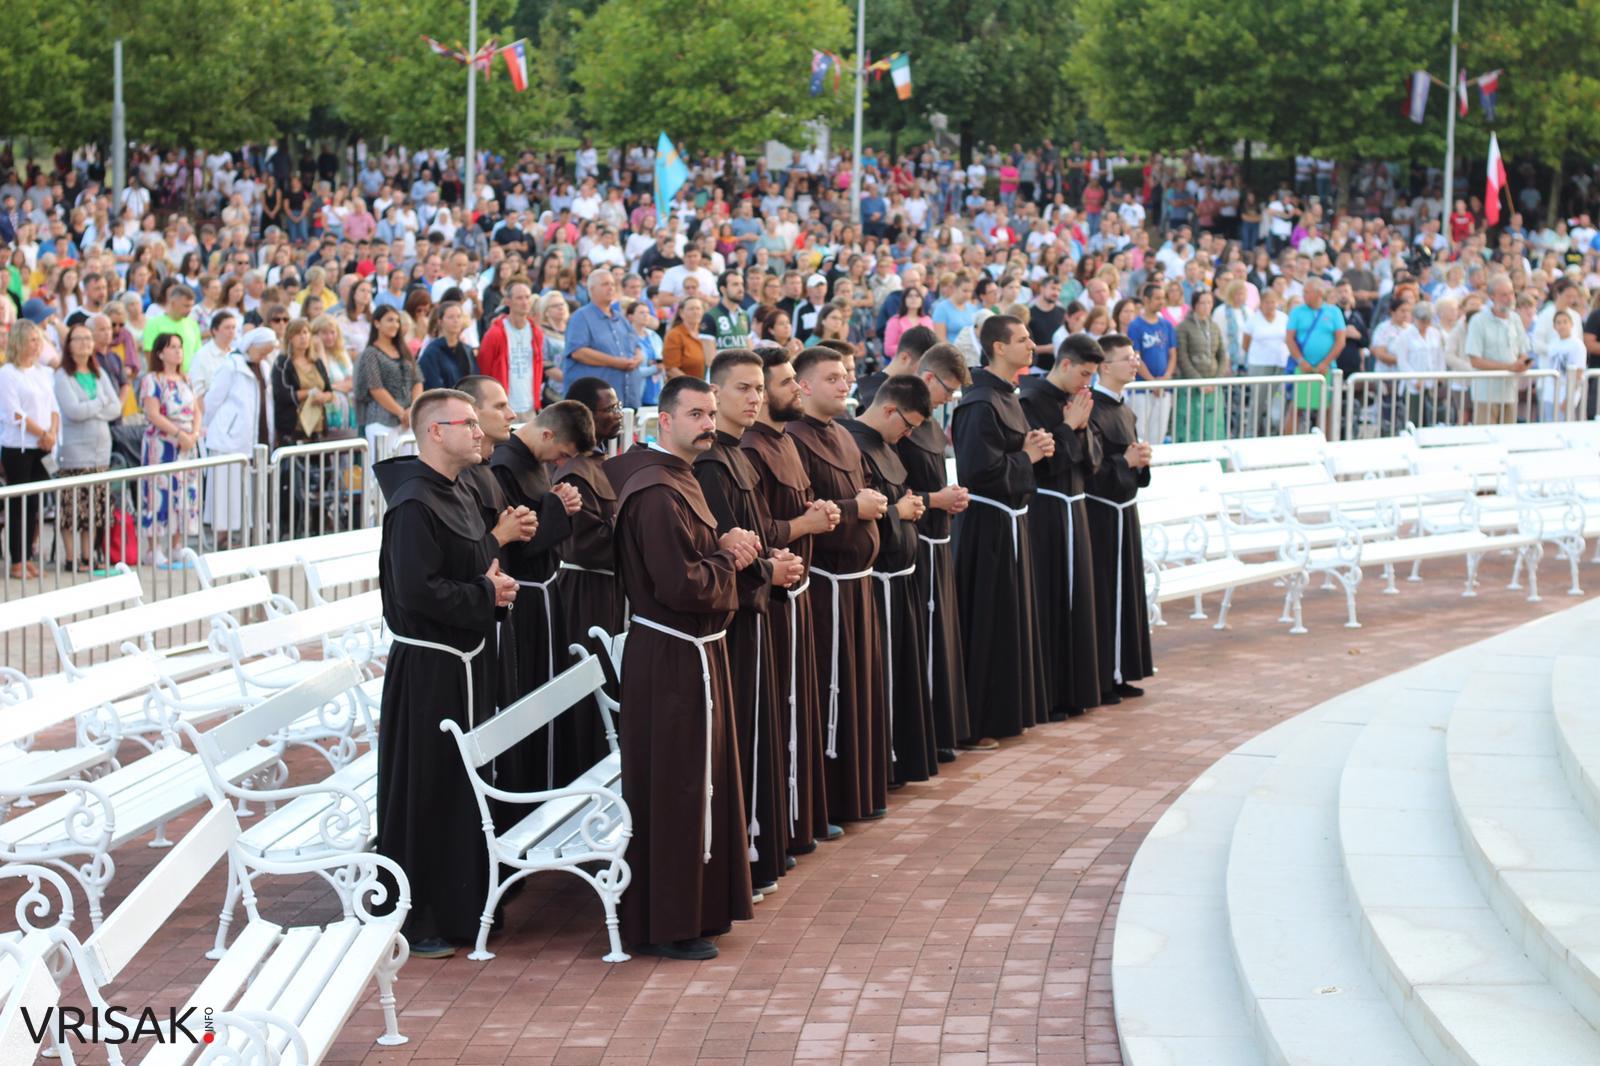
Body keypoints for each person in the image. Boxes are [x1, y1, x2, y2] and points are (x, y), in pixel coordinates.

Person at [606, 375, 761, 961]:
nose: (709, 422)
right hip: (671, 656)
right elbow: (679, 583)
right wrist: (729, 554)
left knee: (700, 780)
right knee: (676, 786)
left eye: (711, 412)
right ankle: (669, 922)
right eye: (696, 413)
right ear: (663, 421)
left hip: (690, 652)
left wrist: (727, 547)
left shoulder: (677, 477)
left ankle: (699, 908)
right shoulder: (654, 490)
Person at [374, 388, 519, 960]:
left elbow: (470, 564)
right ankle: (421, 914)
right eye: (469, 424)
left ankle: (466, 904)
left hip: (468, 658)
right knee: (429, 787)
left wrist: (494, 591)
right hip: (432, 668)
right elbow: (415, 592)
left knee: (465, 787)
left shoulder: (456, 489)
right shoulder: (412, 503)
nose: (481, 432)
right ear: (436, 431)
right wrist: (486, 593)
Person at [695, 349, 807, 897]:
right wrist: (769, 569)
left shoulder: (740, 454)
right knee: (741, 737)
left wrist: (774, 561)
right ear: (714, 396)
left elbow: (757, 531)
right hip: (733, 622)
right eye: (742, 388)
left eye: (758, 387)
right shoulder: (713, 462)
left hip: (756, 607)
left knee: (759, 732)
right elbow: (723, 549)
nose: (755, 397)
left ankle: (760, 850)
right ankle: (745, 857)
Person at [739, 349, 845, 856]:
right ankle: (779, 828)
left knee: (798, 711)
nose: (788, 392)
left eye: (774, 384)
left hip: (796, 596)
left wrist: (818, 509)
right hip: (770, 601)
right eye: (782, 383)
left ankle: (800, 820)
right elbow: (759, 532)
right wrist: (804, 524)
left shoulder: (785, 441)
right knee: (776, 715)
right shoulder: (750, 448)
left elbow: (791, 507)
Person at [787, 346, 890, 823]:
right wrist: (855, 510)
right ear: (803, 386)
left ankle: (860, 792)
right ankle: (832, 799)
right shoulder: (795, 438)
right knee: (831, 692)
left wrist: (871, 500)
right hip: (826, 586)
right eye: (832, 377)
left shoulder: (846, 436)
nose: (845, 383)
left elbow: (863, 488)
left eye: (846, 375)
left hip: (858, 585)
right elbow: (806, 510)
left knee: (859, 690)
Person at [951, 315, 1052, 745]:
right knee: (987, 621)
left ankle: (1009, 713)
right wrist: (1027, 457)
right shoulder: (979, 403)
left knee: (1009, 617)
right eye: (1023, 339)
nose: (1032, 345)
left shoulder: (1006, 396)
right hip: (987, 528)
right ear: (997, 347)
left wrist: (1038, 450)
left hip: (1011, 521)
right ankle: (981, 722)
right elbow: (979, 470)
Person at [843, 374, 939, 785]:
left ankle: (901, 759)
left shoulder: (886, 445)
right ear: (888, 409)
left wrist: (909, 507)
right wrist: (900, 513)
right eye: (908, 424)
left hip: (900, 578)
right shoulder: (855, 445)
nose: (909, 434)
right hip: (876, 580)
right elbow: (872, 516)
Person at [883, 343, 972, 762]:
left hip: (937, 543)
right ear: (929, 377)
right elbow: (893, 488)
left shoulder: (931, 424)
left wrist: (948, 498)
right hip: (911, 546)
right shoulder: (898, 421)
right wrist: (935, 501)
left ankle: (940, 729)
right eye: (948, 390)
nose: (950, 400)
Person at [1018, 334, 1103, 720]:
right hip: (1046, 512)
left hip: (1076, 507)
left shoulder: (1081, 401)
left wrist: (1080, 429)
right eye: (1084, 373)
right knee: (1051, 598)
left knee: (1078, 598)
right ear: (1064, 364)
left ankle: (1076, 690)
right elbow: (1048, 463)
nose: (1087, 383)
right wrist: (1070, 425)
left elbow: (1090, 464)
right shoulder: (1031, 401)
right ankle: (1050, 694)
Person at [1083, 334, 1154, 702]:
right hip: (1101, 515)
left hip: (1125, 512)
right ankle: (1102, 675)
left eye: (1136, 356)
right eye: (1127, 357)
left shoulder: (1125, 409)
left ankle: (1122, 669)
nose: (1135, 362)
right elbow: (1091, 467)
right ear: (1105, 367)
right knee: (1105, 592)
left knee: (1126, 592)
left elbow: (1128, 462)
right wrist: (1124, 462)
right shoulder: (1092, 408)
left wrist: (1140, 460)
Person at [555, 376, 627, 686]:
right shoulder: (574, 471)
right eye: (611, 408)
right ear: (586, 415)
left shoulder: (601, 461)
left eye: (618, 405)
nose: (619, 413)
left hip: (613, 591)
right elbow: (584, 545)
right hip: (588, 595)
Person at [52, 323, 121, 571]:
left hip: (100, 451)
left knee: (95, 508)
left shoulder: (98, 373)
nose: (85, 343)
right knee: (73, 509)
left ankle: (88, 555)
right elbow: (73, 411)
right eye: (79, 339)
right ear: (68, 345)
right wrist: (99, 403)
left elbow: (116, 408)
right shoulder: (62, 376)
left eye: (88, 339)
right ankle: (72, 557)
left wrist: (92, 406)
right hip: (74, 452)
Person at [201, 327, 277, 548]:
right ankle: (221, 537)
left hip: (254, 436)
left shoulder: (263, 366)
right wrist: (212, 427)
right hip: (229, 438)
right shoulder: (231, 366)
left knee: (246, 490)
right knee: (224, 491)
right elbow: (213, 400)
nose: (264, 356)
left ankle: (244, 534)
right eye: (262, 351)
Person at [1, 320, 59, 577]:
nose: (38, 346)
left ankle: (28, 556)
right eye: (33, 340)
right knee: (18, 505)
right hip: (20, 446)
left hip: (43, 446)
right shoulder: (7, 373)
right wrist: (42, 433)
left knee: (34, 504)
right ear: (20, 342)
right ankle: (16, 560)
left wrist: (52, 434)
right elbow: (15, 413)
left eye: (40, 340)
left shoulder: (42, 373)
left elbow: (54, 407)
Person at [140, 332, 202, 568]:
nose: (177, 351)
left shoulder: (186, 378)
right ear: (160, 352)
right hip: (163, 444)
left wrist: (193, 435)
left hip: (187, 443)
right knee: (159, 494)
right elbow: (153, 413)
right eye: (172, 347)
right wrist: (178, 435)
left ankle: (177, 544)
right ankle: (153, 547)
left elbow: (197, 409)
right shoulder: (152, 380)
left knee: (185, 493)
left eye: (180, 347)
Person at [562, 270, 641, 408]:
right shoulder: (580, 317)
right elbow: (578, 352)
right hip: (595, 404)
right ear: (591, 289)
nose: (611, 287)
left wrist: (638, 358)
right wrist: (616, 362)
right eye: (605, 284)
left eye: (612, 284)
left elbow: (636, 345)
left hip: (626, 398)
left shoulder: (620, 318)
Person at [1465, 275, 1532, 425]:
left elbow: (1523, 351)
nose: (1509, 298)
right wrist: (1509, 367)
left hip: (1510, 392)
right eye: (1504, 295)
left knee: (1508, 439)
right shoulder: (1478, 321)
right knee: (1485, 442)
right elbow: (1474, 360)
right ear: (1492, 296)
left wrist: (1523, 363)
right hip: (1486, 394)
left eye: (1511, 293)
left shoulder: (1515, 319)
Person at [355, 305, 422, 453]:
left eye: (397, 321)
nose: (395, 324)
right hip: (381, 421)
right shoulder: (370, 353)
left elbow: (417, 381)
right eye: (390, 320)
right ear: (377, 323)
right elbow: (375, 388)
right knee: (383, 470)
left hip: (407, 422)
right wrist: (400, 412)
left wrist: (412, 410)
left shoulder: (404, 351)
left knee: (411, 466)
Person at [1283, 278, 1346, 432]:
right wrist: (1300, 360)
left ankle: (1325, 443)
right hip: (1302, 368)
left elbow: (1340, 340)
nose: (1303, 295)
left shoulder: (1334, 312)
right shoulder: (1297, 312)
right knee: (1296, 406)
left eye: (1307, 292)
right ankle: (1287, 444)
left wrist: (1326, 362)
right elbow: (1290, 339)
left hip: (1327, 369)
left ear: (1319, 293)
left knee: (1326, 409)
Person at [477, 277, 545, 418]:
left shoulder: (536, 333)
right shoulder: (495, 334)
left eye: (527, 297)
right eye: (519, 298)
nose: (525, 302)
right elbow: (484, 370)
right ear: (508, 301)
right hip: (503, 408)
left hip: (530, 406)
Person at [1174, 288, 1228, 441]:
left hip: (1212, 383)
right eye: (1202, 303)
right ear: (1195, 305)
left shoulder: (1214, 326)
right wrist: (1199, 381)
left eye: (1209, 303)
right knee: (1191, 423)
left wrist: (1216, 380)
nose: (1206, 306)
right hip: (1191, 385)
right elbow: (1183, 357)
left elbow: (1222, 355)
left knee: (1212, 424)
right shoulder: (1183, 327)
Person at [1126, 287, 1177, 444]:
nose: (1161, 302)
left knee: (1159, 433)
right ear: (1146, 300)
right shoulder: (1135, 326)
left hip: (1163, 388)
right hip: (1142, 388)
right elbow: (1136, 356)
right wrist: (1152, 382)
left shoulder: (1167, 325)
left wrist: (1166, 377)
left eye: (1163, 298)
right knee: (1141, 432)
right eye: (1157, 298)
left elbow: (1173, 354)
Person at [418, 300, 477, 391]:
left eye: (459, 316)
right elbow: (432, 386)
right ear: (440, 321)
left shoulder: (467, 350)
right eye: (450, 317)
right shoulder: (432, 352)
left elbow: (475, 380)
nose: (456, 320)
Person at [663, 295, 711, 381]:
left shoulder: (707, 333)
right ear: (681, 313)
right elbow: (671, 369)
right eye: (691, 309)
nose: (696, 312)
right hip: (684, 388)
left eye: (698, 308)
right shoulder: (674, 335)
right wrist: (694, 385)